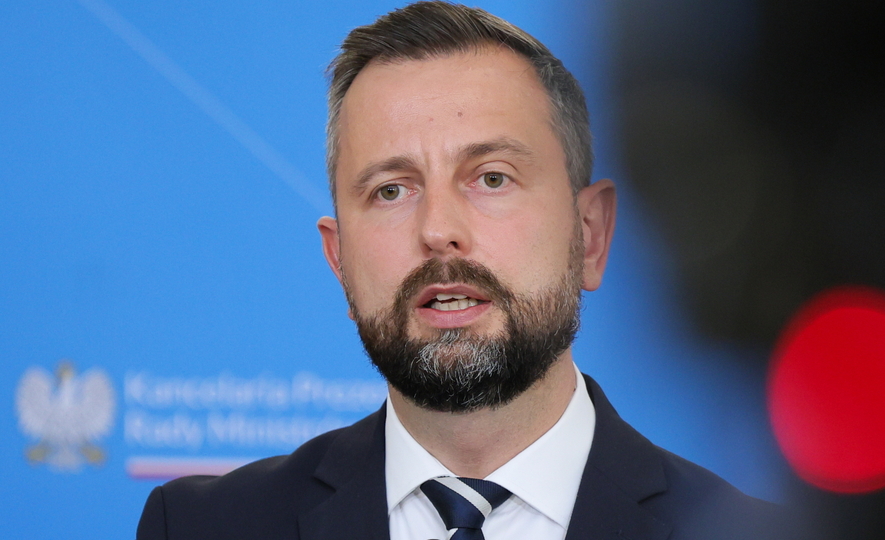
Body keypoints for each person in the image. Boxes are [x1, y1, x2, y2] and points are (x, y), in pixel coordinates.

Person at [137, 2, 786, 539]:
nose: (438, 229)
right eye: (392, 190)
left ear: (590, 235)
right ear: (338, 260)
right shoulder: (201, 527)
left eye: (491, 178)